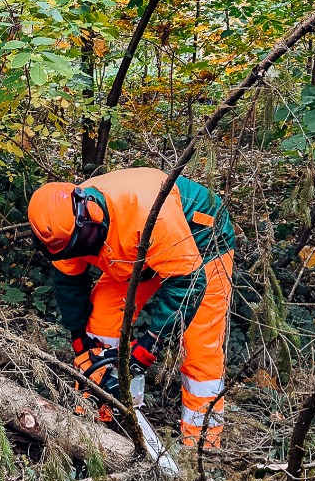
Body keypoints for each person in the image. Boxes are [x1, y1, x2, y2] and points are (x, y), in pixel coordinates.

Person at [28, 168, 235, 448]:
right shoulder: (61, 231)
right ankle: (97, 410)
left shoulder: (146, 210)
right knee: (101, 317)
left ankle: (201, 443)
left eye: (84, 244)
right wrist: (79, 338)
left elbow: (188, 281)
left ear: (88, 215)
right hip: (131, 252)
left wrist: (152, 342)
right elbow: (69, 284)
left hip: (201, 237)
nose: (82, 252)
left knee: (201, 343)